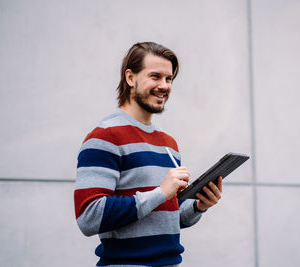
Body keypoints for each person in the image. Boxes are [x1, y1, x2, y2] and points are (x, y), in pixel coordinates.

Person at [74, 42, 222, 267]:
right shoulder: (104, 137)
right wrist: (161, 192)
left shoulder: (168, 143)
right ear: (130, 78)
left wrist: (198, 206)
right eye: (155, 76)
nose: (164, 85)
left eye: (169, 79)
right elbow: (88, 217)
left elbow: (166, 217)